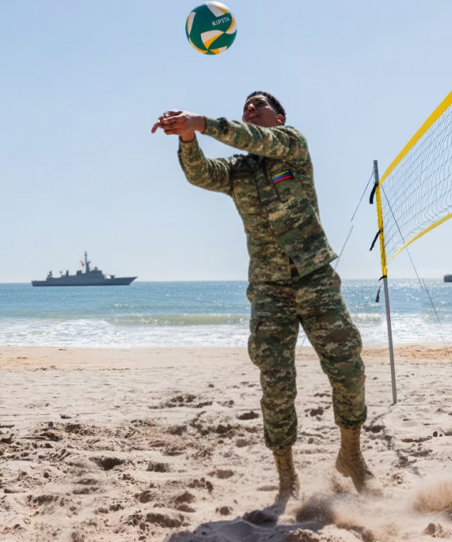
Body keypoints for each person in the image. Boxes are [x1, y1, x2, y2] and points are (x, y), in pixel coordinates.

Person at [152, 92, 382, 503]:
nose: (250, 110)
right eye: (245, 107)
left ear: (279, 116)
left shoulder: (291, 145)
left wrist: (203, 121)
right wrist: (188, 139)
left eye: (259, 105)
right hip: (269, 290)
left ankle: (351, 456)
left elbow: (253, 139)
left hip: (314, 278)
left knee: (348, 369)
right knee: (276, 385)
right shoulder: (238, 171)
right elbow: (200, 174)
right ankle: (287, 476)